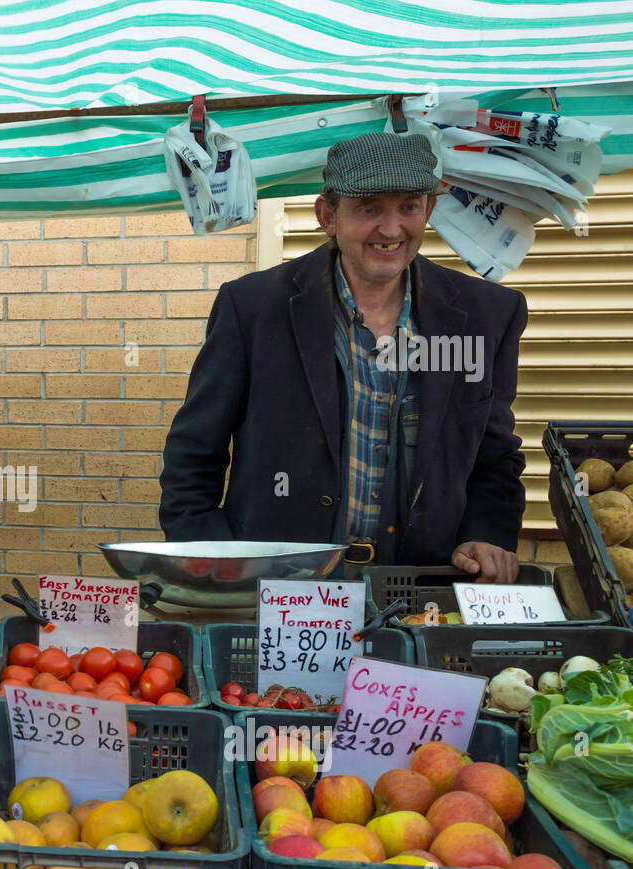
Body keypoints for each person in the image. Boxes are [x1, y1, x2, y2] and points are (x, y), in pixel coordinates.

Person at [159, 131, 526, 582]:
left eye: (409, 207)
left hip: (421, 594)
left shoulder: (488, 315)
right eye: (369, 209)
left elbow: (495, 456)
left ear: (429, 210)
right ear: (327, 215)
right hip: (277, 586)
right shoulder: (253, 308)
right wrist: (213, 554)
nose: (391, 230)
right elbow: (194, 451)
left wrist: (488, 534)